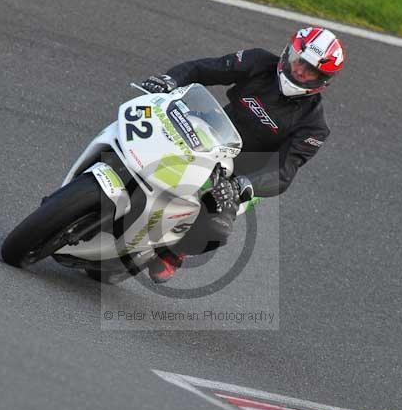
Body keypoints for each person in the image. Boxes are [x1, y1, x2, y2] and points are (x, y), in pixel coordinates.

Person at [140, 26, 346, 283]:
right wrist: (170, 80)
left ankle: (175, 253)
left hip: (245, 174)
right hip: (210, 132)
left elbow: (285, 171)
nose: (300, 71)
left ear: (321, 81)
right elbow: (203, 69)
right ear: (289, 52)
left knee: (219, 225)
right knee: (148, 124)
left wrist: (244, 185)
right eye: (300, 61)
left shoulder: (314, 126)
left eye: (311, 72)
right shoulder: (258, 62)